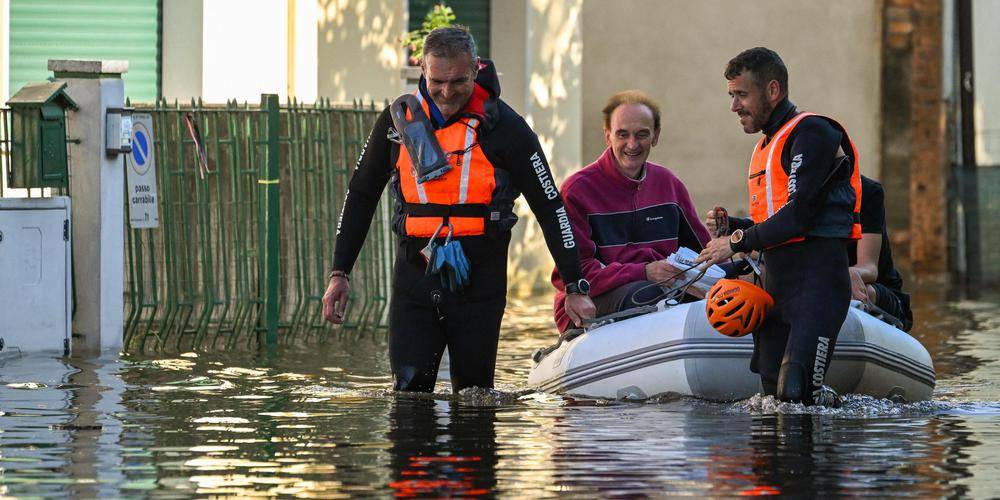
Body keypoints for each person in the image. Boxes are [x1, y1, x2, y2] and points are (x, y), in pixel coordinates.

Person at [322, 27, 595, 393]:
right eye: (437, 81)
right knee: (408, 394)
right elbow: (360, 195)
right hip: (414, 279)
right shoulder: (396, 123)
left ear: (476, 69)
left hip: (480, 280)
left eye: (459, 81)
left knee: (474, 396)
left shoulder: (506, 129)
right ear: (421, 68)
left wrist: (575, 284)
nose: (447, 92)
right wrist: (340, 272)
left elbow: (550, 208)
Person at [696, 47, 862, 405]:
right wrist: (733, 225)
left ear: (773, 90)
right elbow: (773, 221)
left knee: (795, 391)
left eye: (742, 95)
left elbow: (801, 214)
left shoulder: (812, 131)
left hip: (818, 285)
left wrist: (736, 241)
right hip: (775, 288)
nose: (734, 106)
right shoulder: (763, 147)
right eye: (731, 96)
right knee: (770, 398)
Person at [551, 90, 711, 332]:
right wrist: (644, 272)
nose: (632, 144)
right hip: (596, 299)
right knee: (647, 293)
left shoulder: (669, 184)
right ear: (608, 136)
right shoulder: (577, 190)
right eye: (622, 134)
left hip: (665, 291)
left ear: (655, 136)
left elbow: (703, 253)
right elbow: (573, 274)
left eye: (642, 134)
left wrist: (727, 246)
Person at [849, 175, 913, 331]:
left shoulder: (867, 191)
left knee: (842, 288)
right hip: (817, 290)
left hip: (873, 291)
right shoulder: (790, 196)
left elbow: (869, 267)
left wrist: (845, 274)